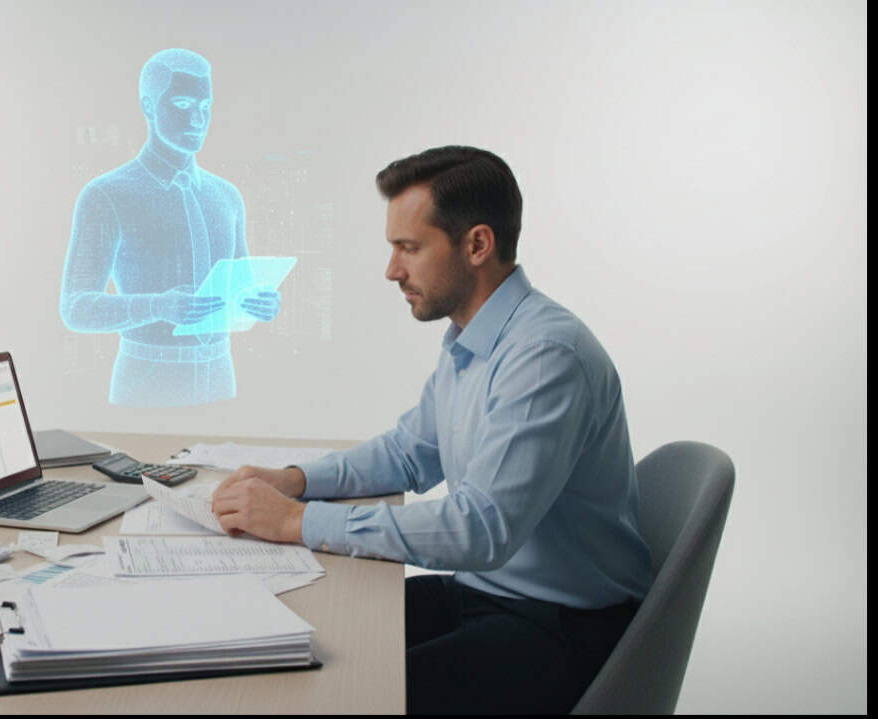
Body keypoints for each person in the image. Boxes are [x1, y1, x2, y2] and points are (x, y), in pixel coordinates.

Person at [210, 145, 652, 714]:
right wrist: (295, 481)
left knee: (345, 695)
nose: (392, 269)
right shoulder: (472, 338)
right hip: (484, 593)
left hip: (557, 626)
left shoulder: (544, 356)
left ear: (477, 245)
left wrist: (298, 521)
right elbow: (408, 454)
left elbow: (481, 529)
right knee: (307, 630)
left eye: (409, 248)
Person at [59, 48, 281, 407]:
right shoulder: (106, 195)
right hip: (146, 385)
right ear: (148, 107)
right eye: (182, 103)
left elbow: (236, 290)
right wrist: (158, 307)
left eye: (205, 107)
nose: (197, 119)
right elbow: (75, 308)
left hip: (222, 384)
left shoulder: (226, 196)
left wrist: (257, 303)